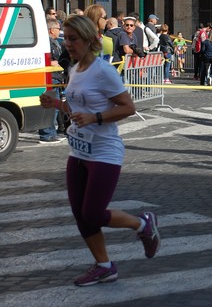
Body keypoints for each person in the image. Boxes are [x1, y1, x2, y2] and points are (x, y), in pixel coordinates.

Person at [39, 15, 160, 286]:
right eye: (66, 38)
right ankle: (104, 265)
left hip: (104, 152)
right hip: (78, 151)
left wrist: (96, 118)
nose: (68, 44)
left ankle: (142, 224)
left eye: (74, 39)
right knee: (81, 215)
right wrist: (56, 105)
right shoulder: (75, 69)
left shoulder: (103, 71)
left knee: (93, 213)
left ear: (88, 40)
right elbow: (78, 108)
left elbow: (128, 107)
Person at [39, 18, 66, 144]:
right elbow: (42, 59)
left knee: (54, 107)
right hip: (50, 77)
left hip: (56, 77)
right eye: (58, 29)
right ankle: (47, 134)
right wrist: (52, 63)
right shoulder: (47, 43)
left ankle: (51, 132)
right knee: (50, 107)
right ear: (51, 30)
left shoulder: (55, 42)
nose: (59, 31)